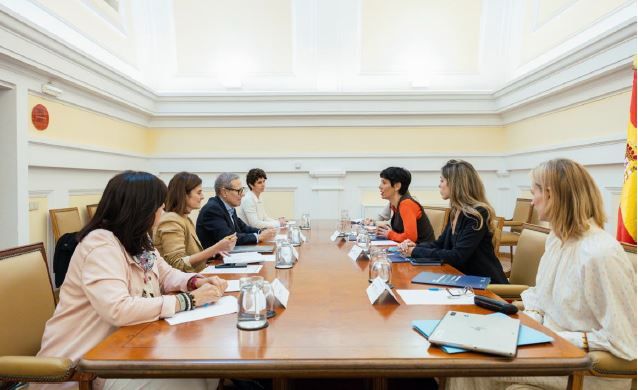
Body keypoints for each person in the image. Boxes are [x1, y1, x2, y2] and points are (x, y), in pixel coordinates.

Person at [448, 158, 636, 390]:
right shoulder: (557, 239)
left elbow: (625, 341)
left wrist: (549, 335)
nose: (532, 200)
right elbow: (541, 299)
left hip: (584, 366)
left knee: (469, 367)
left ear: (552, 194)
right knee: (465, 358)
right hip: (550, 347)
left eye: (534, 191)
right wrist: (519, 326)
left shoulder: (600, 254)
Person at [36, 171, 228, 390]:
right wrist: (188, 300)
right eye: (160, 206)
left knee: (205, 368)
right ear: (142, 209)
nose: (163, 211)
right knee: (195, 373)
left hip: (125, 349)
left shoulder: (137, 238)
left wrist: (196, 281)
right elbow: (118, 308)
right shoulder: (100, 245)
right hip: (84, 368)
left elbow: (165, 273)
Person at [400, 160, 507, 283]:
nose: (439, 185)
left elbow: (457, 256)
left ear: (455, 184)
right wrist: (415, 247)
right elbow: (439, 244)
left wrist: (415, 251)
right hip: (462, 278)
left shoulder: (478, 214)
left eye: (442, 180)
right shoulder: (456, 211)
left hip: (484, 285)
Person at [154, 172, 237, 272]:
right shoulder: (171, 220)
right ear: (184, 195)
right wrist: (215, 249)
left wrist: (215, 253)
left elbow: (191, 256)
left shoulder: (184, 218)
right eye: (199, 192)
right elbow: (177, 264)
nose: (202, 196)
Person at [196, 172, 276, 248]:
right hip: (216, 261)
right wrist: (259, 237)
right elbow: (230, 238)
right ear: (224, 192)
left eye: (242, 190)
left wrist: (261, 232)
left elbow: (243, 227)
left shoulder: (228, 207)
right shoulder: (212, 210)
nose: (243, 194)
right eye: (238, 191)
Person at [375, 167, 435, 244]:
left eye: (384, 182)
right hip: (408, 250)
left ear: (397, 186)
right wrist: (385, 231)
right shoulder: (395, 204)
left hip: (421, 252)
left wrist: (389, 234)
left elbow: (410, 238)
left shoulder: (407, 204)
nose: (380, 186)